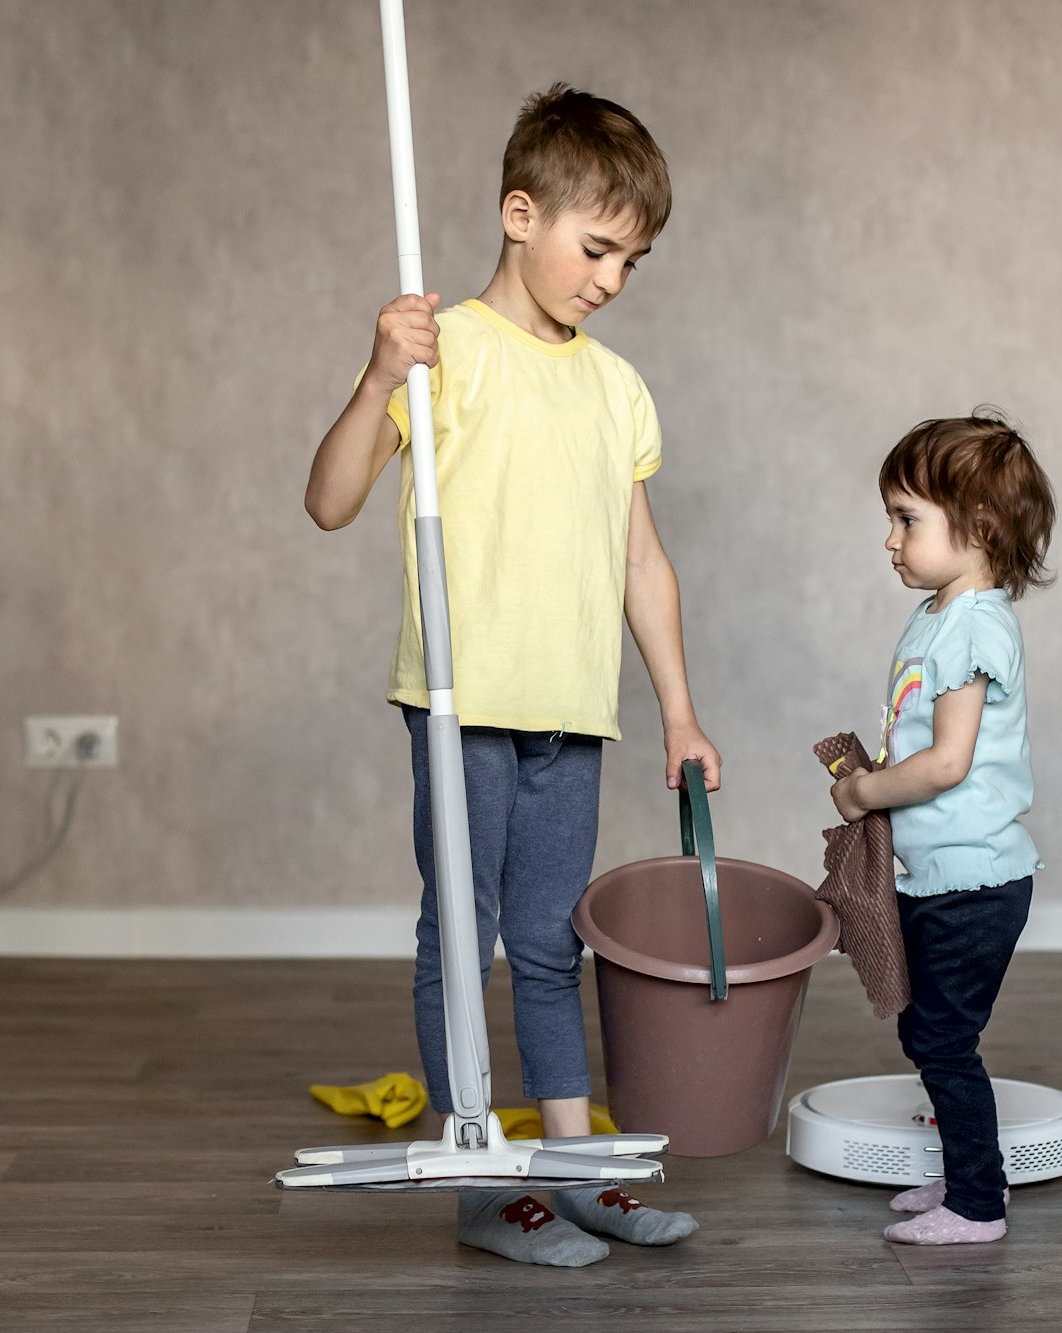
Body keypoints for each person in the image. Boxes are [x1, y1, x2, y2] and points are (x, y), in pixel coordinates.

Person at [303, 83, 719, 1268]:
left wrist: (679, 711)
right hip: (458, 702)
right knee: (464, 933)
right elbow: (329, 503)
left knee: (549, 944)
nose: (608, 280)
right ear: (518, 213)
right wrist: (379, 374)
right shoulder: (445, 353)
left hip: (569, 712)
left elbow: (642, 559)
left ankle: (578, 1171)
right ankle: (484, 1184)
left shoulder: (615, 385)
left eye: (631, 262)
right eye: (595, 250)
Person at [829, 412, 1055, 1245]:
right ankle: (966, 1175)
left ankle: (977, 1204)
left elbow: (947, 762)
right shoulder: (939, 612)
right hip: (941, 873)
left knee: (943, 1038)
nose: (890, 539)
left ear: (979, 526)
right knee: (930, 1032)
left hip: (974, 880)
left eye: (906, 518)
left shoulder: (976, 624)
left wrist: (864, 793)